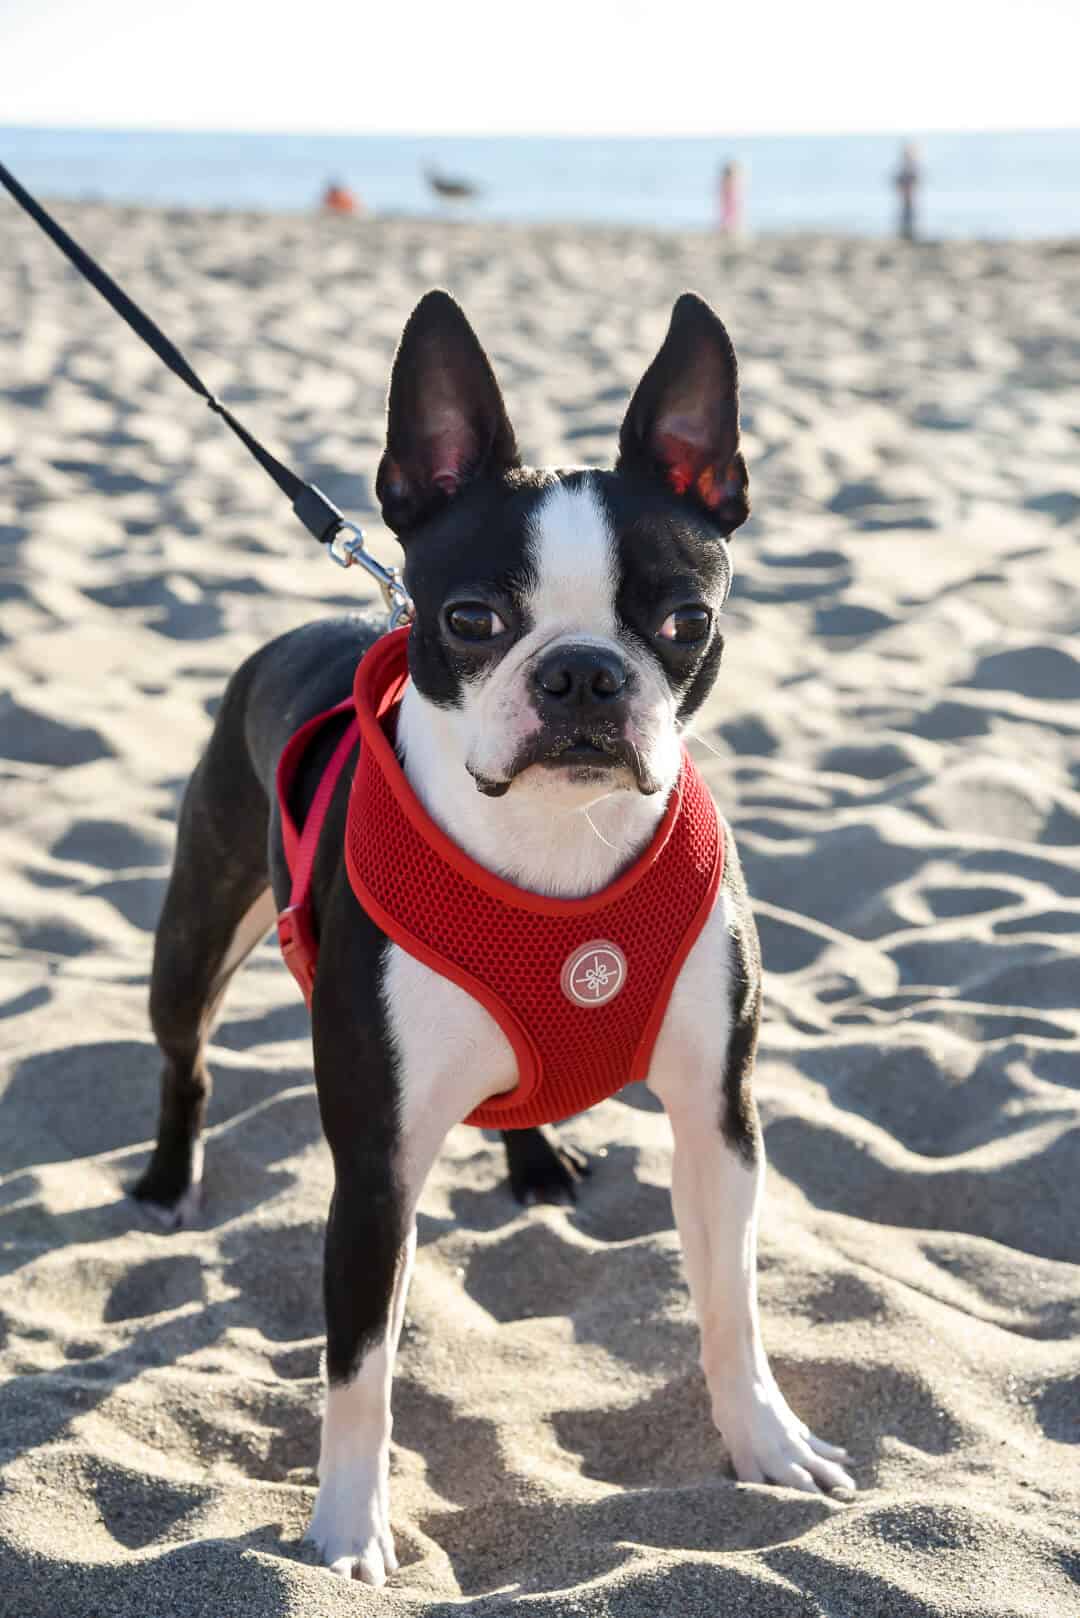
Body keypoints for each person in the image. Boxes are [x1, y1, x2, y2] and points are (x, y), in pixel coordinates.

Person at [893, 143, 921, 241]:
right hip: (905, 199)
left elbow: (916, 181)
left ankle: (909, 235)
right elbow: (897, 181)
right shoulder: (905, 169)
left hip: (910, 199)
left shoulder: (912, 169)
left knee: (910, 218)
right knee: (904, 217)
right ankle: (904, 235)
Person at [717, 159, 743, 237]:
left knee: (731, 211)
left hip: (731, 220)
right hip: (728, 220)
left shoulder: (732, 186)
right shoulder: (727, 185)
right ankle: (728, 227)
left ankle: (730, 227)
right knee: (728, 211)